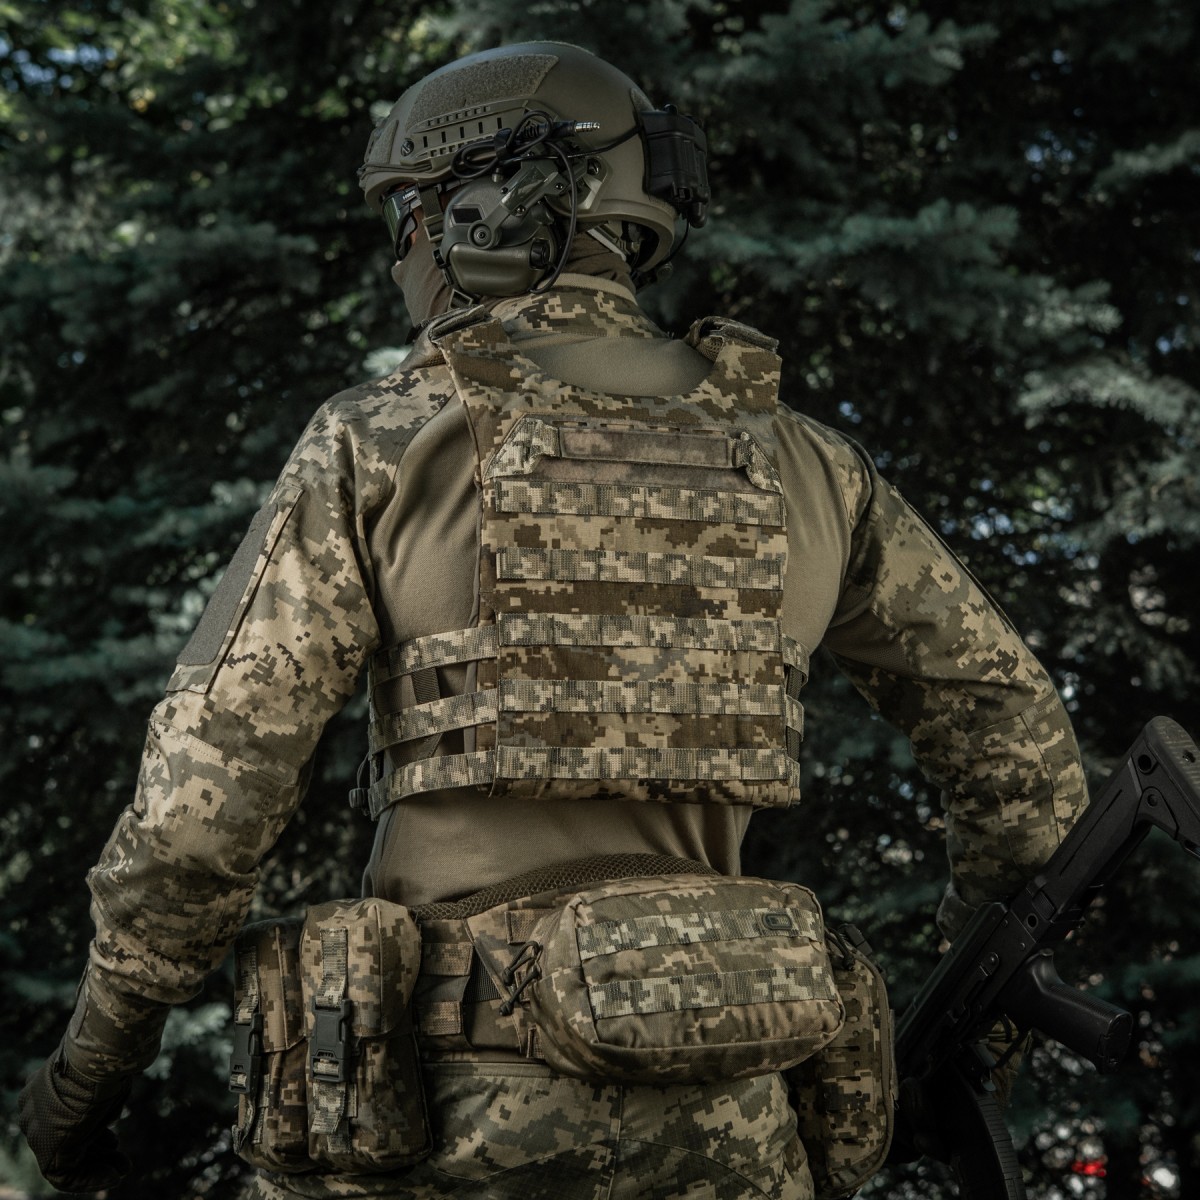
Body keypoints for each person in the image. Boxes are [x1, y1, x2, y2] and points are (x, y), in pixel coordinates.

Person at [18, 40, 1088, 1200]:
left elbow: (198, 814)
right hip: (737, 1129)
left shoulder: (380, 440)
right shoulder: (813, 465)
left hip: (442, 1124)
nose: (403, 252)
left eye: (409, 215)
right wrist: (979, 1038)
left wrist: (86, 1079)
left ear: (483, 209)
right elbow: (1020, 754)